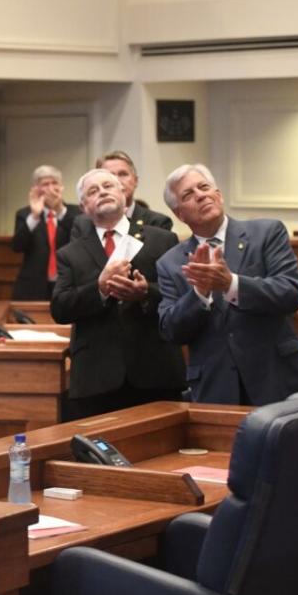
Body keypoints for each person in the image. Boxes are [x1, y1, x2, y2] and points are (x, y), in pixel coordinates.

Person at [157, 163, 298, 405]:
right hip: (217, 389)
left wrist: (232, 285)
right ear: (179, 214)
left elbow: (290, 293)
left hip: (278, 379)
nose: (200, 195)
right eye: (188, 194)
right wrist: (199, 293)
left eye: (204, 187)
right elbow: (171, 330)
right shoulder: (170, 263)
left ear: (218, 194)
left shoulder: (266, 232)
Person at [51, 169, 185, 419]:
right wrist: (99, 288)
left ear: (123, 194)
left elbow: (181, 295)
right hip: (96, 378)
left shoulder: (162, 240)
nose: (102, 192)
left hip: (155, 371)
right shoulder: (71, 253)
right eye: (93, 191)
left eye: (108, 186)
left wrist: (146, 293)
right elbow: (60, 308)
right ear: (83, 206)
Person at [11, 165, 81, 300]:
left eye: (55, 183)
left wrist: (60, 210)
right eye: (45, 184)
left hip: (68, 285)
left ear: (61, 187)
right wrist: (35, 216)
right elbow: (17, 246)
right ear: (36, 189)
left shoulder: (76, 213)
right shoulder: (24, 214)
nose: (50, 188)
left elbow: (79, 241)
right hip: (33, 287)